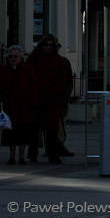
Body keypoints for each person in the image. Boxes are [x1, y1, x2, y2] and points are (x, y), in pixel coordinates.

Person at [26, 34, 68, 163]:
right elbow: (27, 75)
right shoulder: (34, 59)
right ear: (41, 45)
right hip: (36, 98)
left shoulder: (59, 61)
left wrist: (57, 91)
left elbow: (63, 78)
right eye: (46, 45)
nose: (48, 47)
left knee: (52, 130)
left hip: (51, 99)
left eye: (50, 45)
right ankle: (33, 154)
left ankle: (53, 155)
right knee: (34, 128)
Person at [0, 45, 40, 165]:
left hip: (24, 107)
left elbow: (35, 87)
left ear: (21, 58)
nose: (12, 58)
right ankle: (12, 156)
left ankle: (22, 157)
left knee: (22, 133)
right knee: (10, 133)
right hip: (9, 107)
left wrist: (32, 102)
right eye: (10, 56)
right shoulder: (3, 70)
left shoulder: (28, 69)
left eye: (15, 56)